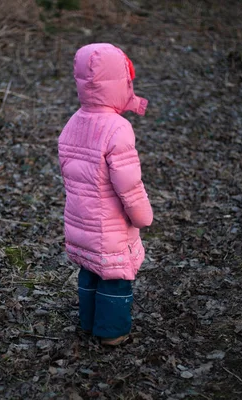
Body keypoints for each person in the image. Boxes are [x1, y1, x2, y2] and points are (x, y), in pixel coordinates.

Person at [58, 43, 153, 346]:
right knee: (115, 277)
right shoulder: (117, 129)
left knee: (89, 270)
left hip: (80, 219)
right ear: (120, 82)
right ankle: (111, 332)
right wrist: (142, 216)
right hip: (110, 225)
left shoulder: (73, 122)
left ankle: (88, 322)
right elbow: (129, 185)